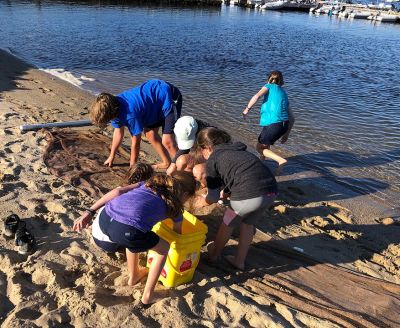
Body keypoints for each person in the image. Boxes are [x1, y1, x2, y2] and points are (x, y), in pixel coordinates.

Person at [73, 171, 196, 305]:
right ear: (184, 194)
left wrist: (89, 212)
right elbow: (177, 234)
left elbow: (118, 191)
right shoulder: (175, 208)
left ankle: (134, 277)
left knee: (137, 237)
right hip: (125, 230)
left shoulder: (149, 184)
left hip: (105, 218)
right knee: (163, 247)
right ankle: (148, 295)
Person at [195, 127, 277, 271]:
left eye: (201, 150)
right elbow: (238, 175)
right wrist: (225, 192)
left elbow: (213, 197)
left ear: (207, 148)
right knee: (247, 224)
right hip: (271, 191)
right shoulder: (238, 151)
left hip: (249, 193)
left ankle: (214, 255)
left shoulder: (213, 160)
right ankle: (239, 261)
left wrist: (201, 201)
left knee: (227, 223)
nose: (202, 154)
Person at [89, 79, 182, 169]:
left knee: (168, 141)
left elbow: (136, 142)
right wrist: (111, 156)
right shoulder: (113, 108)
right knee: (150, 134)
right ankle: (166, 163)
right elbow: (118, 132)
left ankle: (183, 168)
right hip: (152, 103)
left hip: (169, 96)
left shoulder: (130, 114)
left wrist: (132, 166)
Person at [242, 70, 295, 175]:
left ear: (269, 79)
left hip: (274, 123)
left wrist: (247, 108)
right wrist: (286, 135)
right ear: (281, 81)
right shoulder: (284, 93)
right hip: (284, 125)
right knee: (265, 144)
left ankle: (280, 160)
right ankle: (262, 161)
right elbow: (292, 118)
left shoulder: (268, 86)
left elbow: (256, 96)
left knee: (259, 147)